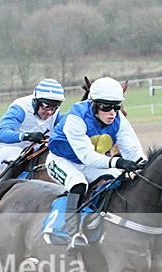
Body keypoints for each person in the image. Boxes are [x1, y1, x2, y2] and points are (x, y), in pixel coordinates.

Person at [46, 76, 146, 249]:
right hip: (61, 160)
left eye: (115, 107)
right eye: (106, 107)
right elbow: (87, 156)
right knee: (78, 183)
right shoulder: (76, 117)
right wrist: (119, 162)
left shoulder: (119, 120)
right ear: (93, 104)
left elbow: (133, 150)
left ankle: (98, 221)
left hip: (90, 162)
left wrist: (143, 165)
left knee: (116, 180)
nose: (112, 113)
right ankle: (71, 234)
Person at [0, 78, 65, 171]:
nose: (50, 112)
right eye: (46, 106)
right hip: (9, 149)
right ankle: (5, 185)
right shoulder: (20, 108)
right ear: (36, 101)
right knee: (17, 159)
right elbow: (1, 133)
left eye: (54, 107)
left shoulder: (56, 113)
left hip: (36, 150)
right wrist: (27, 136)